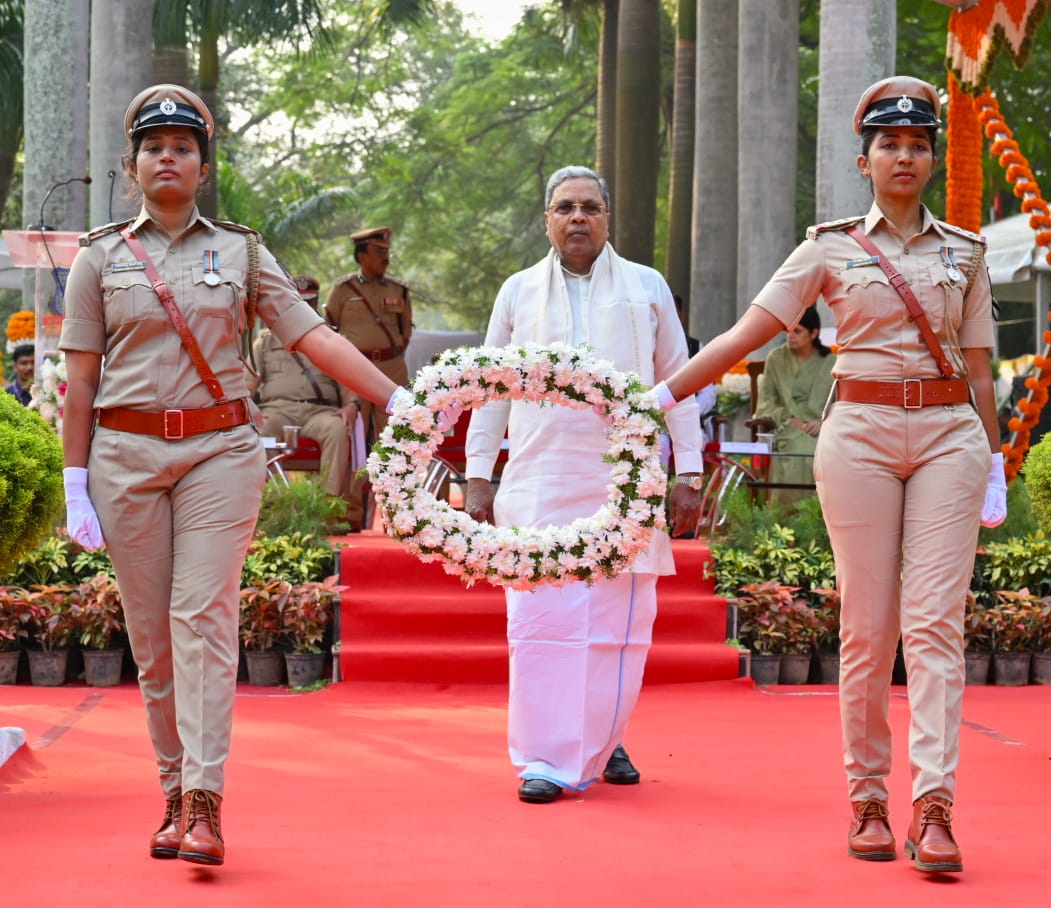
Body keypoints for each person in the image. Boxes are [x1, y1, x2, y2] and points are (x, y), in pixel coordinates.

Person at [58, 84, 434, 867]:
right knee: (153, 640)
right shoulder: (98, 257)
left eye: (184, 148)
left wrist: (402, 396)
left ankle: (204, 803)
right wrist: (72, 480)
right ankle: (170, 793)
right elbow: (82, 383)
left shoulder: (241, 251)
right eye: (154, 147)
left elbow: (312, 338)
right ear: (133, 166)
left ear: (202, 166)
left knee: (201, 618)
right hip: (124, 460)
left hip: (219, 455)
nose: (169, 157)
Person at [652, 77, 1006, 873]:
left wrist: (995, 461)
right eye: (890, 144)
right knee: (867, 625)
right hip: (861, 434)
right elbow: (748, 330)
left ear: (930, 157)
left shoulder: (966, 250)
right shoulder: (827, 247)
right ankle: (868, 798)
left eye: (918, 144)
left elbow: (980, 369)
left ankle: (936, 808)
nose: (905, 156)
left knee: (935, 626)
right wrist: (660, 394)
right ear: (865, 159)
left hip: (951, 434)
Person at [464, 165, 704, 804]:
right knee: (540, 619)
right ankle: (543, 758)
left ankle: (606, 735)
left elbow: (678, 380)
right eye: (565, 207)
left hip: (621, 481)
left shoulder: (647, 287)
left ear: (607, 218)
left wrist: (688, 471)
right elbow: (486, 390)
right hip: (538, 478)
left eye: (590, 207)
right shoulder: (517, 292)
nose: (578, 218)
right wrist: (478, 474)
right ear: (547, 219)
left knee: (615, 621)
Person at [245, 274, 359, 510]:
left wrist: (351, 406)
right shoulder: (265, 341)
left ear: (317, 304)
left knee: (337, 429)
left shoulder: (333, 339)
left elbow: (350, 384)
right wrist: (251, 408)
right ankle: (272, 504)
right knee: (260, 430)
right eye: (300, 303)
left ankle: (326, 507)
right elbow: (247, 384)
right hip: (278, 410)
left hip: (319, 411)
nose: (306, 308)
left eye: (311, 303)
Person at [324, 227, 412, 530]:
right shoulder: (343, 290)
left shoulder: (399, 290)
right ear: (361, 255)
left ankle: (397, 517)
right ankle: (349, 516)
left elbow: (405, 333)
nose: (385, 258)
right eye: (379, 252)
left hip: (392, 368)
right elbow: (329, 330)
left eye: (387, 252)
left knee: (395, 443)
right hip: (353, 372)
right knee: (352, 442)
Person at [748, 305, 835, 506]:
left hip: (822, 431)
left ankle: (815, 522)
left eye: (798, 331)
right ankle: (785, 519)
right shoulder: (776, 359)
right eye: (788, 330)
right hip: (784, 428)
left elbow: (841, 405)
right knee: (797, 447)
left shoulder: (831, 362)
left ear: (814, 333)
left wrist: (825, 422)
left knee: (818, 449)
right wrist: (788, 419)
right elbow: (765, 403)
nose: (790, 336)